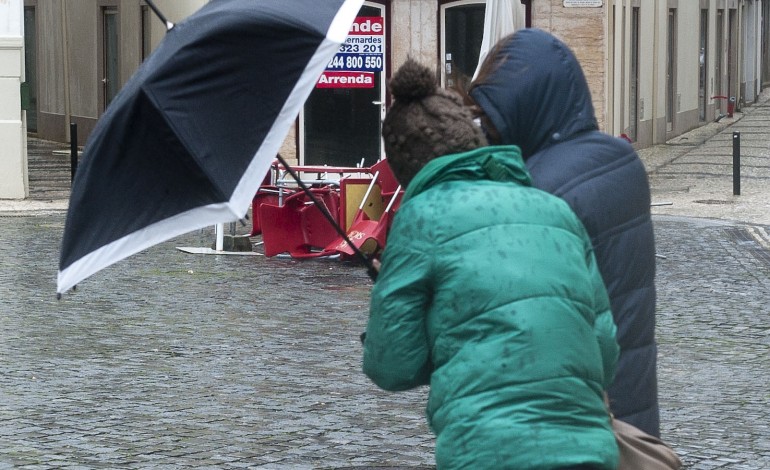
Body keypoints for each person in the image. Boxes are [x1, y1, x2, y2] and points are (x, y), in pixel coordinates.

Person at [362, 57, 619, 470]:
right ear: (473, 141)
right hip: (587, 452)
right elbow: (604, 349)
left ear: (406, 169)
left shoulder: (421, 215)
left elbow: (392, 365)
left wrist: (420, 312)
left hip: (485, 451)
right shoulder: (556, 211)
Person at [467, 28, 660, 437]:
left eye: (490, 115)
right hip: (631, 406)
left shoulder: (540, 189)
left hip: (563, 421)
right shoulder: (622, 160)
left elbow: (501, 316)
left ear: (523, 105)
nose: (487, 129)